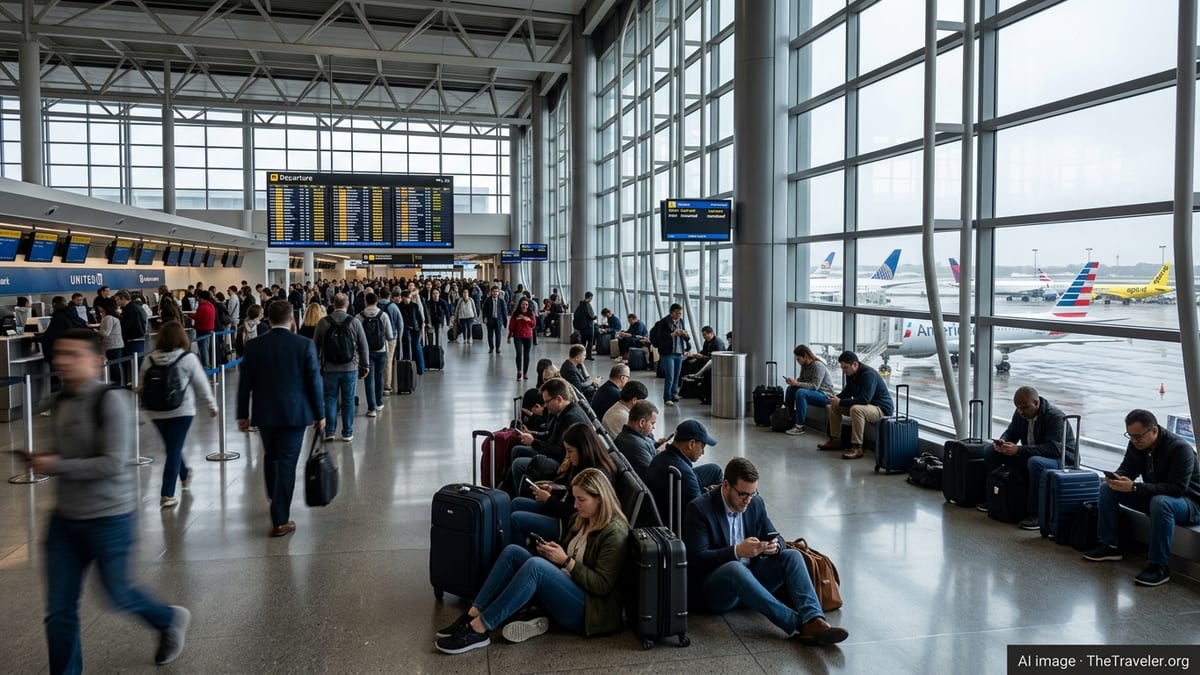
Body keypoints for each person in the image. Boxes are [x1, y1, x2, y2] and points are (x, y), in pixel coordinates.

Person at [25, 328, 191, 671]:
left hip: (110, 517)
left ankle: (167, 619)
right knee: (59, 610)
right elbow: (66, 452)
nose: (62, 362)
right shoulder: (59, 401)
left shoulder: (110, 400)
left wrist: (55, 464)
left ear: (97, 361)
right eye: (60, 354)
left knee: (118, 593)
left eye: (73, 354)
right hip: (65, 520)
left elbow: (113, 462)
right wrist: (47, 458)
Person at [434, 468, 629, 653]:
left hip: (590, 611)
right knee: (513, 552)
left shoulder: (614, 533)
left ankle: (480, 628)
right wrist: (552, 554)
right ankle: (474, 613)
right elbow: (572, 555)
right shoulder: (582, 518)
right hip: (571, 584)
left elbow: (602, 585)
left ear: (600, 499)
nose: (575, 505)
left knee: (536, 567)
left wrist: (565, 561)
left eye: (581, 500)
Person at [684, 457, 849, 645]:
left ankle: (814, 619)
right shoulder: (699, 509)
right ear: (726, 486)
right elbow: (696, 560)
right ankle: (798, 624)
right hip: (716, 591)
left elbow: (776, 536)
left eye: (752, 494)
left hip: (751, 581)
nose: (748, 501)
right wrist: (737, 551)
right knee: (734, 569)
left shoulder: (755, 503)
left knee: (792, 556)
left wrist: (775, 545)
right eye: (743, 495)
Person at [236, 300, 325, 537]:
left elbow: (245, 384)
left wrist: (242, 414)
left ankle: (274, 496)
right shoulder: (304, 345)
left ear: (268, 319)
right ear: (292, 319)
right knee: (287, 463)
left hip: (265, 414)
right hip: (295, 415)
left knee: (271, 456)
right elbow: (314, 383)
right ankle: (280, 519)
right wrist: (320, 414)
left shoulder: (254, 346)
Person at [1082, 409, 1200, 587]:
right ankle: (1109, 545)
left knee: (1161, 503)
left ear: (1154, 430)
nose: (1134, 441)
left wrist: (1135, 487)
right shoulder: (1137, 445)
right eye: (1130, 436)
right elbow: (1127, 470)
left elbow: (1176, 489)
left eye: (1138, 437)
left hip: (1189, 503)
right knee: (1108, 489)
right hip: (1155, 496)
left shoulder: (1179, 449)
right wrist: (1116, 477)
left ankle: (1159, 566)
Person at [140, 320, 217, 508]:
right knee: (173, 449)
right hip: (181, 410)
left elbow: (143, 384)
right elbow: (201, 383)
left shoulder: (149, 359)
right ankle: (167, 493)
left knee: (172, 447)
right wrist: (211, 404)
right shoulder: (187, 358)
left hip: (155, 411)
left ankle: (184, 474)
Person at [510, 423, 618, 546]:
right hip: (563, 512)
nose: (567, 456)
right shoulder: (583, 464)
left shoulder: (595, 475)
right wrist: (552, 490)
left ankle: (519, 551)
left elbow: (577, 512)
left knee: (516, 519)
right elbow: (573, 496)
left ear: (583, 449)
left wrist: (549, 500)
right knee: (516, 503)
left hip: (570, 526)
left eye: (570, 451)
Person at [984, 386, 1075, 530]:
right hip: (1033, 453)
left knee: (1035, 463)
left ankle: (1036, 514)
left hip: (1062, 459)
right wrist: (1002, 441)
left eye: (1024, 408)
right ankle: (994, 497)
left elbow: (1053, 449)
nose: (1020, 412)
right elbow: (1012, 432)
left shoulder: (1055, 417)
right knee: (991, 451)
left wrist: (1018, 450)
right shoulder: (1021, 413)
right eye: (1018, 408)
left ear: (1036, 403)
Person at [509, 378, 592, 494]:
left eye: (547, 402)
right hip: (557, 454)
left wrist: (533, 442)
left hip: (564, 464)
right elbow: (550, 435)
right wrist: (535, 435)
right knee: (517, 450)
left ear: (559, 399)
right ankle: (514, 490)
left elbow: (560, 452)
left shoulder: (570, 418)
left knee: (518, 464)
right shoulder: (563, 412)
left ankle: (520, 495)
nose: (545, 406)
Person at [644, 419, 724, 524]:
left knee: (715, 470)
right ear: (691, 444)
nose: (703, 452)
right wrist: (713, 494)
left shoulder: (661, 457)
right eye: (702, 447)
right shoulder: (683, 474)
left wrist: (705, 492)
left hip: (667, 502)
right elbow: (698, 510)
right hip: (677, 522)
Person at [313, 294, 369, 442]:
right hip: (350, 367)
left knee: (330, 398)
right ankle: (347, 432)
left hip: (329, 368)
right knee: (348, 400)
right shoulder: (355, 322)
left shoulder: (323, 322)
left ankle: (330, 432)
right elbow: (363, 346)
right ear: (348, 304)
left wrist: (317, 365)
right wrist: (365, 365)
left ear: (332, 304)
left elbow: (315, 345)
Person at [819, 350, 893, 460]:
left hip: (881, 409)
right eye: (842, 368)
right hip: (867, 407)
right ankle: (836, 440)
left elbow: (864, 399)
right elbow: (847, 392)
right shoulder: (851, 373)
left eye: (845, 368)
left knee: (856, 409)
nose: (844, 371)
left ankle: (857, 447)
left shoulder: (869, 374)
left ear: (855, 364)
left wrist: (841, 402)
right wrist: (835, 399)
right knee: (834, 406)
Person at [782, 344, 835, 436]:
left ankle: (799, 426)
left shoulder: (818, 366)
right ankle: (789, 419)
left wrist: (797, 383)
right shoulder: (804, 366)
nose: (797, 361)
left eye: (798, 359)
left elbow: (814, 386)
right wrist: (793, 382)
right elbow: (802, 381)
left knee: (801, 392)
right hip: (814, 393)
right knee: (791, 389)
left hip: (825, 395)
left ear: (805, 356)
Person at [357, 293, 394, 419]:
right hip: (381, 350)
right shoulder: (383, 315)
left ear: (366, 302)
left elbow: (356, 336)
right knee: (379, 376)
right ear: (377, 302)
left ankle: (371, 408)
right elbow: (389, 335)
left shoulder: (359, 316)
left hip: (366, 352)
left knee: (369, 378)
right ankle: (379, 403)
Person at [614, 401, 672, 479]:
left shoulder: (626, 436)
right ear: (642, 422)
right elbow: (654, 473)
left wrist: (657, 444)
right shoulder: (635, 445)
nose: (654, 427)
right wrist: (664, 449)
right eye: (652, 423)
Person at [650, 304, 690, 406]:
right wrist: (672, 334)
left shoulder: (681, 321)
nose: (679, 315)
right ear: (671, 312)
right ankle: (667, 397)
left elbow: (686, 337)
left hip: (679, 351)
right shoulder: (663, 322)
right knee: (670, 375)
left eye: (680, 313)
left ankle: (674, 394)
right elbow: (660, 337)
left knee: (677, 375)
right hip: (667, 352)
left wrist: (685, 334)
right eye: (677, 313)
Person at [94, 300, 124, 385]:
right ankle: (117, 384)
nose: (98, 308)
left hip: (112, 345)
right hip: (116, 345)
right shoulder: (113, 317)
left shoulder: (108, 318)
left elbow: (105, 333)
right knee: (115, 367)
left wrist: (96, 331)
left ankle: (116, 384)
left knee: (114, 367)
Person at [507, 296, 537, 380]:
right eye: (523, 304)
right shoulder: (515, 313)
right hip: (518, 336)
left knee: (526, 355)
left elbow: (533, 325)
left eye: (526, 304)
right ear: (520, 305)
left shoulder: (531, 313)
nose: (525, 306)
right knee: (519, 354)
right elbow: (511, 326)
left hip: (528, 336)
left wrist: (527, 320)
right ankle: (519, 372)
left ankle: (525, 373)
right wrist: (509, 336)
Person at [481, 285, 509, 354]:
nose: (495, 293)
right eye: (494, 291)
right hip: (490, 320)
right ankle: (491, 348)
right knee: (490, 335)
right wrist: (485, 317)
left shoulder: (501, 301)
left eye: (496, 291)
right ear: (491, 292)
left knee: (498, 335)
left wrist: (505, 323)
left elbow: (504, 312)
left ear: (498, 292)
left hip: (498, 320)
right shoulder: (488, 300)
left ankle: (497, 348)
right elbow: (484, 310)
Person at [573, 291, 598, 360]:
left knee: (583, 342)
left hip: (582, 328)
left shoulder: (580, 305)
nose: (591, 299)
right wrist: (595, 317)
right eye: (591, 298)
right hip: (588, 327)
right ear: (589, 297)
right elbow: (589, 316)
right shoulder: (587, 305)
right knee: (590, 342)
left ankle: (582, 355)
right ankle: (588, 356)